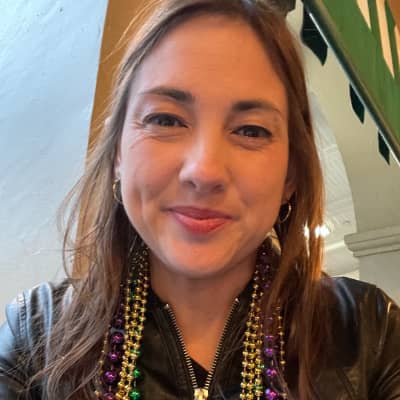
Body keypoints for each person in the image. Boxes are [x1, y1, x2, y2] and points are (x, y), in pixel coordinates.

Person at [1, 0, 399, 399]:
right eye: (166, 119)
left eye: (251, 130)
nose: (204, 171)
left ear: (290, 175)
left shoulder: (370, 334)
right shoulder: (35, 337)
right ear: (118, 153)